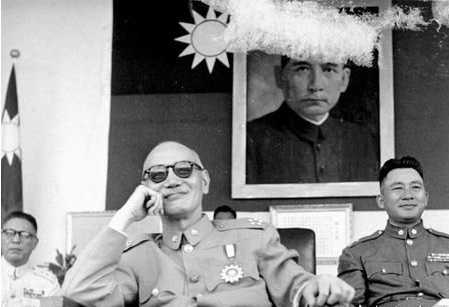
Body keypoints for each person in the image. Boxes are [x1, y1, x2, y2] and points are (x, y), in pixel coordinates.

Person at [63, 141, 354, 307]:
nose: (172, 180)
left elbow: (298, 289)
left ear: (204, 181)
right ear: (145, 187)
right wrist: (126, 215)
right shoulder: (137, 255)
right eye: (157, 175)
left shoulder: (254, 238)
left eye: (183, 170)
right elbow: (80, 290)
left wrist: (320, 286)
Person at [337, 156, 449, 307]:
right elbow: (347, 304)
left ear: (426, 198)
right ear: (381, 201)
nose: (408, 195)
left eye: (415, 187)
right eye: (398, 188)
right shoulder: (356, 254)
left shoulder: (446, 245)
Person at [246, 56, 378, 184]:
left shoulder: (361, 138)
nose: (316, 85)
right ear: (280, 77)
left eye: (328, 70)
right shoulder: (250, 138)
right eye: (303, 69)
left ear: (344, 79)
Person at [1, 211, 60, 307]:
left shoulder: (49, 283)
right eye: (9, 233)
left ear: (35, 243)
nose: (16, 240)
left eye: (25, 235)